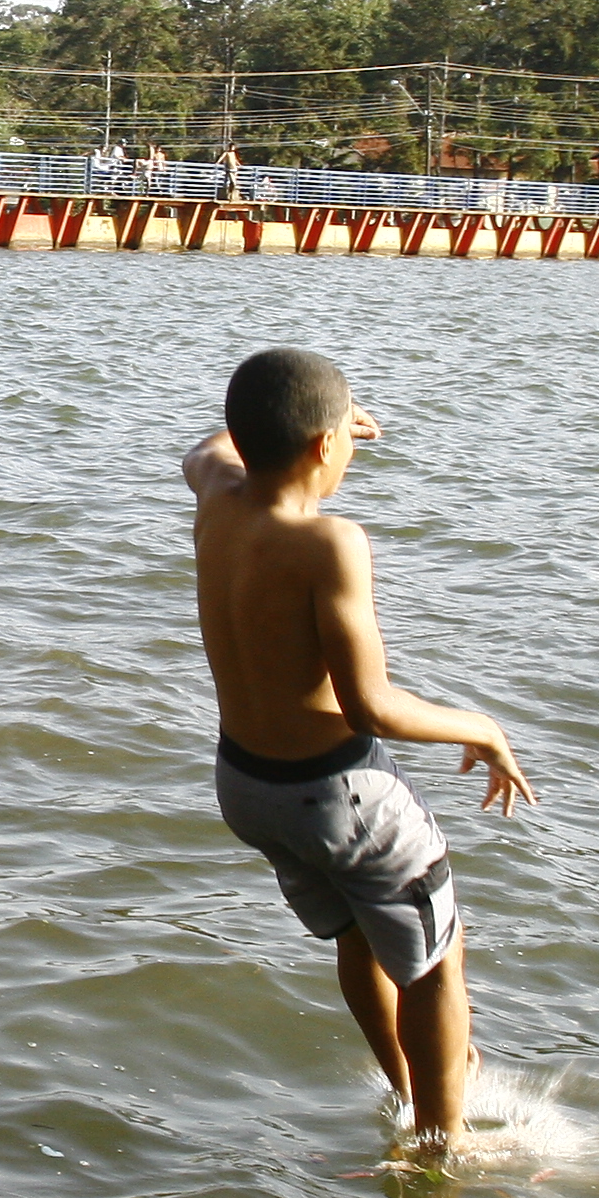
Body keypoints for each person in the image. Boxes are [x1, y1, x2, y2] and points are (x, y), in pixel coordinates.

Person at [183, 348, 533, 1152]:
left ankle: (409, 1093)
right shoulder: (330, 544)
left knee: (358, 935)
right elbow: (369, 703)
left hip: (246, 788)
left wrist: (305, 419)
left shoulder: (214, 496)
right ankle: (441, 1147)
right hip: (337, 793)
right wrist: (482, 726)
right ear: (322, 449)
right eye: (342, 433)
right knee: (437, 963)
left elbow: (208, 448)